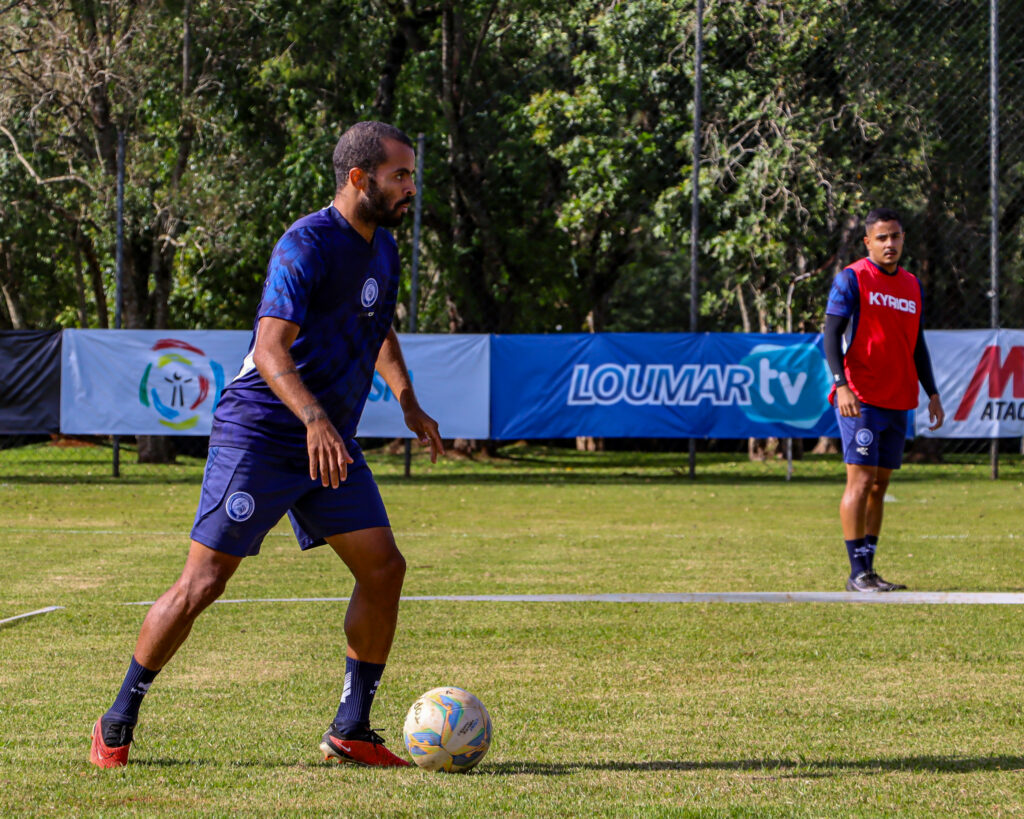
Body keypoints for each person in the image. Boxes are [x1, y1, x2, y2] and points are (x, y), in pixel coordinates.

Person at [90, 121, 443, 769]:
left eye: (412, 176)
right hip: (262, 431)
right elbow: (271, 348)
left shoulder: (384, 250)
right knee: (203, 582)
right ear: (358, 178)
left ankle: (351, 727)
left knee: (384, 569)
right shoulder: (305, 244)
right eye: (400, 175)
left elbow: (379, 330)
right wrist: (313, 419)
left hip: (326, 441)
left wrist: (408, 401)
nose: (410, 188)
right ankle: (118, 716)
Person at [823, 207, 944, 593]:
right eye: (881, 238)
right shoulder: (852, 278)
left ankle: (869, 570)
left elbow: (917, 343)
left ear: (903, 238)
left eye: (895, 236)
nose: (889, 243)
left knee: (879, 485)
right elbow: (830, 334)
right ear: (868, 242)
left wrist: (932, 392)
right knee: (860, 481)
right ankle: (856, 573)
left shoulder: (911, 285)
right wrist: (841, 385)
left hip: (898, 397)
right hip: (861, 397)